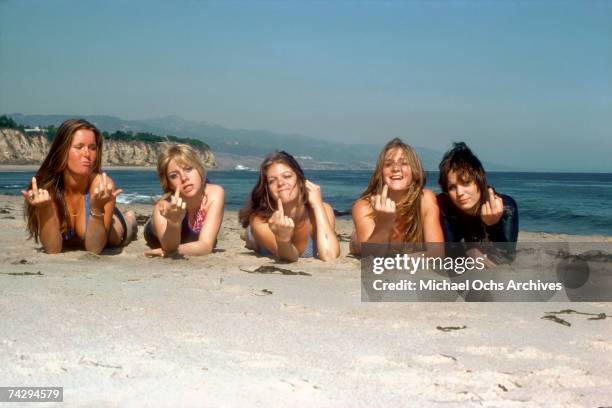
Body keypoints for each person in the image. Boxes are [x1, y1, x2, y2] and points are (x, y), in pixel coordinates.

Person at [22, 119, 137, 254]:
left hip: (109, 223)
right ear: (62, 151)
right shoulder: (49, 188)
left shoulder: (102, 185)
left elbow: (95, 249)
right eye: (79, 147)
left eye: (92, 148)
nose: (87, 154)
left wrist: (96, 208)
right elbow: (53, 249)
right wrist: (44, 209)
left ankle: (130, 218)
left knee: (119, 232)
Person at [239, 151, 339, 262]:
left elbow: (330, 255)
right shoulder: (260, 220)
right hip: (262, 236)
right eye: (272, 181)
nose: (280, 183)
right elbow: (290, 257)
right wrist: (283, 239)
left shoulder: (323, 210)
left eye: (287, 176)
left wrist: (317, 205)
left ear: (301, 181)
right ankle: (249, 235)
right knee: (252, 238)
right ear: (268, 190)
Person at [350, 138, 444, 255]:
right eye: (388, 164)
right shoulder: (364, 206)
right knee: (358, 241)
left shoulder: (425, 199)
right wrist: (384, 222)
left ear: (414, 170)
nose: (395, 169)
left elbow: (437, 254)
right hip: (364, 241)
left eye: (404, 163)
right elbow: (370, 259)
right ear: (381, 172)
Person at [437, 142, 518, 264]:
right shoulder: (445, 205)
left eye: (466, 183)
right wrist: (470, 253)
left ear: (480, 180)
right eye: (452, 187)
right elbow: (452, 251)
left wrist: (493, 225)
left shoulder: (506, 207)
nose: (459, 192)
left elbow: (506, 258)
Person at [143, 144, 224, 257]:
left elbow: (206, 246)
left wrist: (169, 251)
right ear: (169, 184)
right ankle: (131, 219)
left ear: (199, 169)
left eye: (189, 169)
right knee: (130, 224)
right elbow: (169, 247)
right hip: (154, 232)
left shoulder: (215, 193)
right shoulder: (163, 208)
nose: (184, 178)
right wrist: (173, 223)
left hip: (185, 241)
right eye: (174, 176)